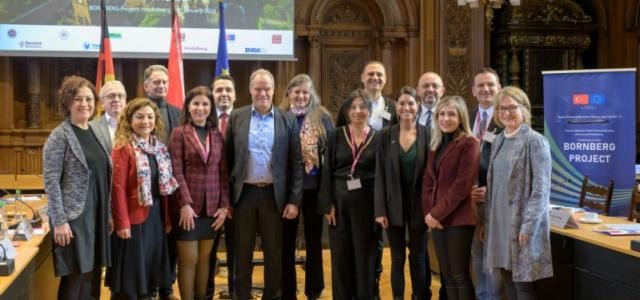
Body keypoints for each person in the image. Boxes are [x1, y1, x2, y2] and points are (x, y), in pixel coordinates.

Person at [225, 68, 304, 299]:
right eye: (258, 89)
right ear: (250, 90)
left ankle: (273, 296)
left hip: (274, 196)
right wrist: (227, 200)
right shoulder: (236, 117)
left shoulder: (287, 119)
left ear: (273, 90)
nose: (262, 93)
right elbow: (227, 161)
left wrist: (294, 200)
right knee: (242, 254)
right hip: (243, 196)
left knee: (274, 255)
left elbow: (296, 163)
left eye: (266, 89)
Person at [43, 75, 112, 300]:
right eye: (78, 99)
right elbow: (51, 181)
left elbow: (104, 175)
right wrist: (60, 220)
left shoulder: (96, 132)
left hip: (97, 213)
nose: (84, 104)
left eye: (89, 99)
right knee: (75, 275)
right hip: (74, 217)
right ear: (67, 103)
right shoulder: (59, 136)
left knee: (92, 273)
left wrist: (108, 213)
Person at [483, 86, 553, 300]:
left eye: (512, 107)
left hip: (521, 223)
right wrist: (486, 222)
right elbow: (494, 185)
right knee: (505, 276)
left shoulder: (535, 141)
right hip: (499, 222)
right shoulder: (498, 141)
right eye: (501, 108)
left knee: (522, 283)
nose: (506, 112)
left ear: (524, 109)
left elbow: (541, 189)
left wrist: (529, 225)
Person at [107, 98, 179, 300]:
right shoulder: (124, 147)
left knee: (149, 274)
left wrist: (166, 219)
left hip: (155, 217)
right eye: (139, 117)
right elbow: (117, 188)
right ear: (129, 120)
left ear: (156, 120)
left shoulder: (159, 148)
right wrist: (122, 223)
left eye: (149, 117)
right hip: (133, 218)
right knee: (131, 277)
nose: (145, 121)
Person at [168, 86, 230, 300]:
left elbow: (223, 172)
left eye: (205, 104)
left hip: (212, 208)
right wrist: (185, 204)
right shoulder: (179, 133)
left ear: (211, 107)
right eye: (196, 104)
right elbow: (175, 170)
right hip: (188, 209)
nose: (200, 108)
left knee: (205, 260)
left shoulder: (217, 135)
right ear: (188, 106)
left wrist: (224, 206)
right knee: (189, 259)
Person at [319, 89, 380, 300]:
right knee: (341, 257)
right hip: (340, 204)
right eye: (353, 107)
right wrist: (328, 204)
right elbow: (326, 172)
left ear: (370, 111)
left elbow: (381, 176)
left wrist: (380, 208)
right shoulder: (335, 135)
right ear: (346, 111)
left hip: (368, 204)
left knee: (365, 256)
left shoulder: (378, 137)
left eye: (363, 107)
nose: (358, 111)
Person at [278, 74, 334, 300]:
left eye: (305, 92)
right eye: (296, 91)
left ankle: (314, 288)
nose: (301, 96)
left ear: (311, 95)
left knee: (313, 240)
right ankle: (287, 290)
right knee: (286, 241)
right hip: (287, 191)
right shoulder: (280, 117)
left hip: (313, 188)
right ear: (288, 93)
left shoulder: (323, 118)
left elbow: (330, 156)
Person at [374, 86, 431, 300]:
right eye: (402, 103)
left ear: (418, 107)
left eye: (411, 103)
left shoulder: (428, 134)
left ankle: (420, 296)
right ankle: (398, 297)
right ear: (396, 107)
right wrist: (380, 210)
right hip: (392, 206)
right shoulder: (385, 135)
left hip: (421, 207)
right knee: (397, 258)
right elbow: (379, 173)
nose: (406, 107)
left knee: (418, 257)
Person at [422, 96, 479, 300]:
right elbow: (428, 182)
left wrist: (436, 213)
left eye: (451, 114)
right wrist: (429, 214)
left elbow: (461, 187)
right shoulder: (436, 144)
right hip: (437, 220)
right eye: (442, 114)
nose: (446, 118)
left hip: (459, 219)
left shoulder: (469, 144)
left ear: (461, 117)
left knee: (459, 276)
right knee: (447, 276)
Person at [142, 64, 180, 299]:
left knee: (171, 237)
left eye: (164, 82)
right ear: (145, 85)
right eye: (156, 82)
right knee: (151, 239)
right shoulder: (139, 110)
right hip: (146, 189)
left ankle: (168, 283)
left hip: (172, 188)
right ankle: (150, 284)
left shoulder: (178, 112)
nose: (161, 86)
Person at [468, 68, 503, 300]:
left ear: (499, 88)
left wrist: (491, 188)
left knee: (492, 259)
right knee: (476, 253)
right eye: (480, 85)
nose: (485, 89)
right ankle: (481, 295)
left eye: (490, 84)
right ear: (473, 90)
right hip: (469, 200)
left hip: (495, 200)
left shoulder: (505, 118)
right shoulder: (466, 117)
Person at [207, 74, 237, 300]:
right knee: (208, 252)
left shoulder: (245, 118)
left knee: (238, 249)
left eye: (228, 90)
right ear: (212, 94)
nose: (224, 94)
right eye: (219, 90)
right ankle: (206, 292)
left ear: (235, 95)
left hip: (239, 197)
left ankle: (235, 291)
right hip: (209, 198)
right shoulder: (203, 121)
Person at [92, 80, 127, 152]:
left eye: (120, 96)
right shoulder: (92, 127)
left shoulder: (135, 125)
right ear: (102, 102)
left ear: (125, 101)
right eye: (111, 96)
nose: (117, 99)